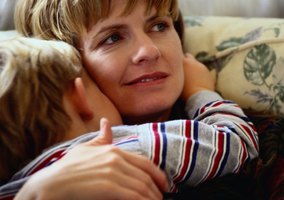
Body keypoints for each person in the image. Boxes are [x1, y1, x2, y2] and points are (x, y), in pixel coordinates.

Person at [0, 36, 258, 199]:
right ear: (80, 98)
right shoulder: (124, 148)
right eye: (112, 38)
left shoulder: (12, 188)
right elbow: (236, 143)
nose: (148, 50)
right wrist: (201, 91)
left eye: (159, 25)